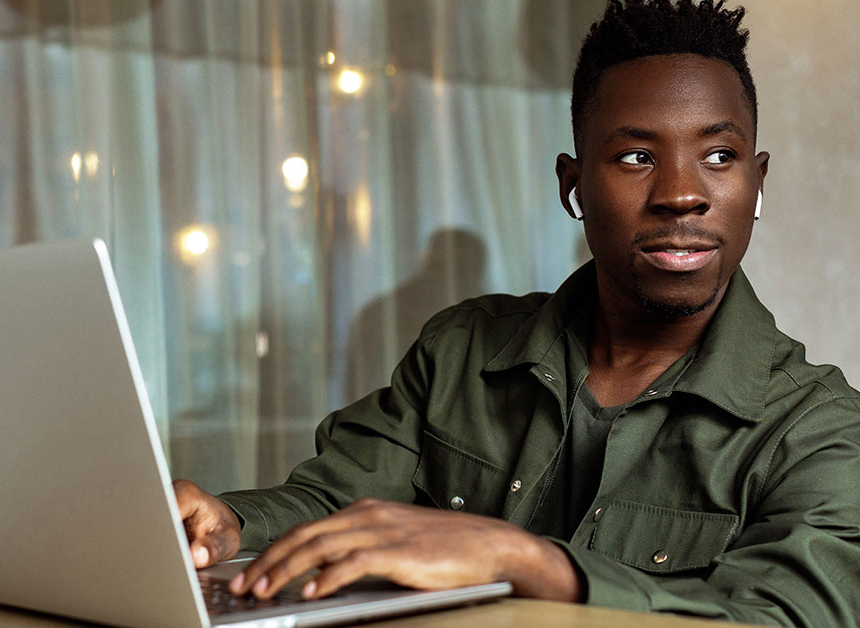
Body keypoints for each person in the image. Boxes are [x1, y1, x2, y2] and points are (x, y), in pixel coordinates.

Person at [174, 1, 860, 626]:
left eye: (719, 155)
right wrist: (231, 520)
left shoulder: (821, 431)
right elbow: (338, 503)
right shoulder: (463, 351)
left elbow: (787, 615)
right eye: (637, 156)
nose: (682, 195)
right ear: (574, 185)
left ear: (757, 181)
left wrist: (530, 562)